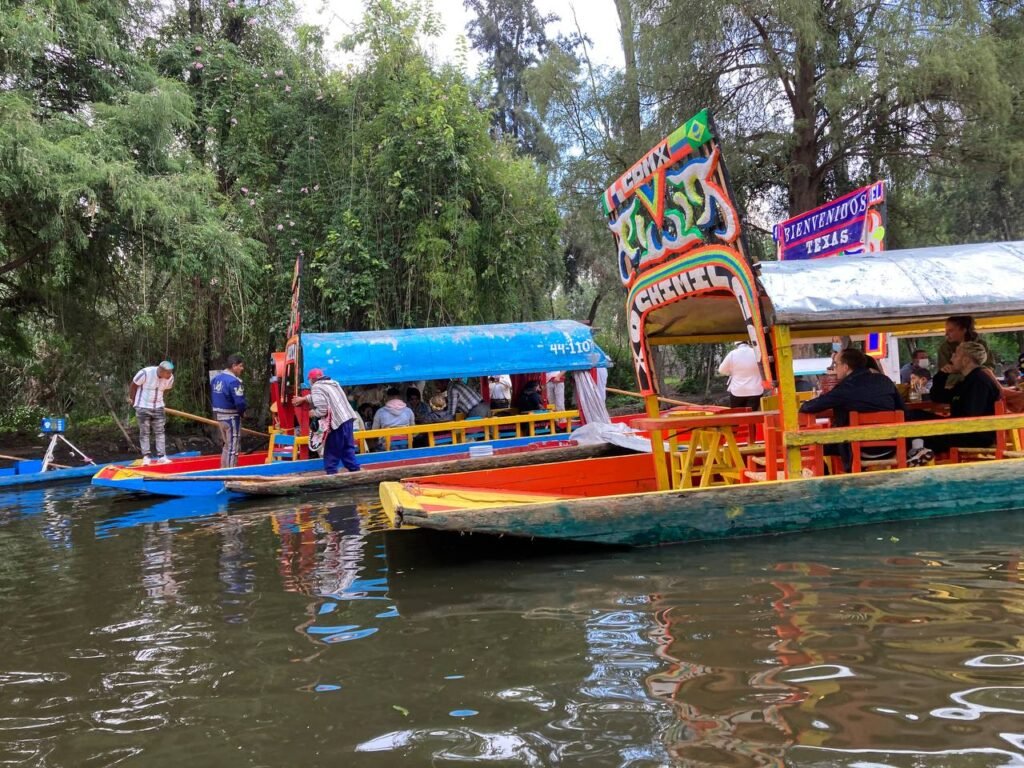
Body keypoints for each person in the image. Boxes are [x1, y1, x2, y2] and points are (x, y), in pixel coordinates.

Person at [799, 348, 905, 472]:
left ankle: (829, 483)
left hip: (858, 449)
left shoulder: (846, 388)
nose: (834, 368)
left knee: (813, 447)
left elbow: (809, 407)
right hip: (891, 446)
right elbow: (902, 409)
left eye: (836, 364)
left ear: (845, 367)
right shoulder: (884, 381)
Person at [908, 341, 1002, 465]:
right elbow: (938, 397)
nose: (952, 358)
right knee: (914, 415)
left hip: (973, 435)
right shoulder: (967, 380)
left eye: (956, 355)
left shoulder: (979, 381)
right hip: (959, 428)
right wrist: (942, 374)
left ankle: (917, 455)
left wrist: (943, 426)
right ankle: (918, 452)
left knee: (918, 428)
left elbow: (972, 416)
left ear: (966, 360)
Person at [292, 368, 360, 474]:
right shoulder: (333, 383)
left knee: (331, 451)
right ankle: (355, 471)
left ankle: (331, 475)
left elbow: (322, 409)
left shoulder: (316, 387)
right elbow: (323, 396)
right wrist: (304, 399)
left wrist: (313, 413)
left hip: (337, 423)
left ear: (312, 380)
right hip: (348, 419)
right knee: (347, 448)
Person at [129, 360, 175, 465]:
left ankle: (162, 456)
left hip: (158, 407)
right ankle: (146, 457)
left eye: (170, 372)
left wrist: (160, 400)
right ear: (161, 371)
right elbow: (133, 385)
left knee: (160, 431)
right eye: (168, 373)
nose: (170, 375)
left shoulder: (170, 378)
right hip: (143, 406)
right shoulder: (145, 373)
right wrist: (133, 401)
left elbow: (166, 390)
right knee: (144, 432)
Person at [210, 354, 247, 468]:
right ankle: (231, 473)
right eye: (240, 366)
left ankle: (223, 469)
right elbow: (240, 402)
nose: (242, 368)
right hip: (231, 417)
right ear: (234, 366)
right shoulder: (234, 381)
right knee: (233, 448)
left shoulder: (216, 378)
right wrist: (242, 413)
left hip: (220, 416)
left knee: (226, 445)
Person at [937, 316, 993, 387]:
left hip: (980, 383)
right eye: (946, 331)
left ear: (963, 330)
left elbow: (989, 367)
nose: (946, 334)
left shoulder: (980, 345)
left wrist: (958, 370)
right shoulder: (945, 348)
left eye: (950, 331)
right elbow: (944, 372)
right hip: (954, 387)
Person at [717, 340, 764, 409]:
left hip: (738, 391)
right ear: (748, 342)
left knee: (737, 416)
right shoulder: (757, 353)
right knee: (752, 417)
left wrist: (731, 372)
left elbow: (721, 370)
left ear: (736, 344)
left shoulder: (732, 354)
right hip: (756, 390)